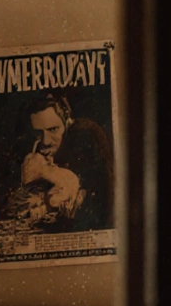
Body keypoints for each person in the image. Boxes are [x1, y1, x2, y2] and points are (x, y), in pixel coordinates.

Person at [19, 93, 114, 232]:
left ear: (67, 123)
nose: (46, 141)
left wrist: (44, 171)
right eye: (38, 133)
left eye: (53, 129)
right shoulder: (31, 150)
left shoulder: (85, 139)